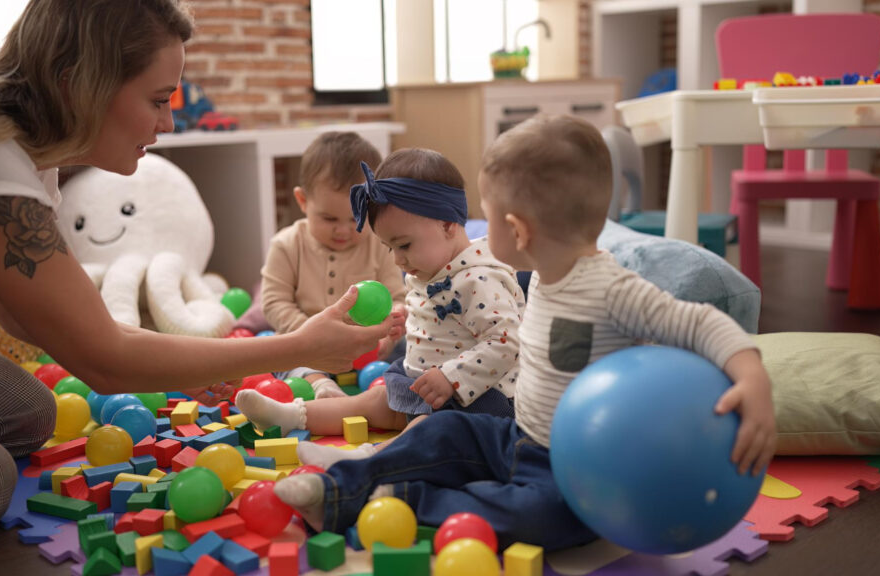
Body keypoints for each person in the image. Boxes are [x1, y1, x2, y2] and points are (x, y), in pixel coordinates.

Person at [0, 0, 396, 554]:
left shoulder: (34, 155)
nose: (168, 122)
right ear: (79, 85)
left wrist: (181, 361)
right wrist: (294, 347)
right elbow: (104, 358)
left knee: (27, 414)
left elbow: (38, 314)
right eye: (156, 100)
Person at [272, 115, 778, 551]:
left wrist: (751, 376)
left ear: (517, 230)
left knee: (546, 518)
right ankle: (340, 487)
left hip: (573, 465)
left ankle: (403, 504)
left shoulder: (610, 288)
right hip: (515, 435)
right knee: (441, 430)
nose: (475, 231)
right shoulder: (540, 276)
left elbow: (699, 320)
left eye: (485, 220)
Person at [236, 148, 524, 468]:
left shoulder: (480, 278)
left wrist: (452, 378)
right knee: (372, 400)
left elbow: (506, 342)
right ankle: (290, 415)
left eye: (404, 245)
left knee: (430, 429)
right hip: (423, 381)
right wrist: (404, 319)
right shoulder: (433, 266)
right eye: (390, 247)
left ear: (447, 225)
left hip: (476, 399)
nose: (398, 260)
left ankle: (364, 460)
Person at [257, 131, 407, 399]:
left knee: (412, 347)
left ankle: (394, 390)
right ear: (303, 201)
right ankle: (321, 386)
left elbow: (397, 297)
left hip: (367, 346)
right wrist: (308, 336)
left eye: (355, 219)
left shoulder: (380, 244)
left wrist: (389, 332)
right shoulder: (287, 244)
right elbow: (274, 303)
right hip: (307, 344)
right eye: (329, 219)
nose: (343, 230)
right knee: (279, 354)